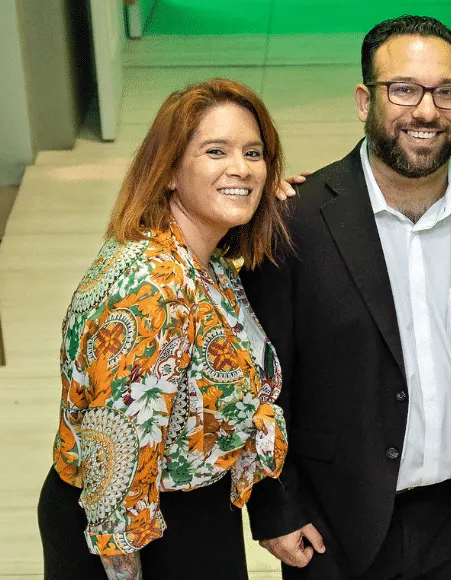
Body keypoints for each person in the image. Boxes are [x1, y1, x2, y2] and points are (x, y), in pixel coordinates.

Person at [242, 15, 451, 580]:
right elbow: (264, 381)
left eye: (447, 92)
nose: (428, 111)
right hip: (333, 521)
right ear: (364, 100)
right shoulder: (294, 222)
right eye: (403, 90)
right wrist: (274, 504)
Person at [38, 78, 292, 580]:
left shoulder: (204, 263)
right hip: (136, 535)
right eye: (215, 151)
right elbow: (116, 464)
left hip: (192, 514)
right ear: (171, 171)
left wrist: (284, 203)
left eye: (254, 153)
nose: (240, 168)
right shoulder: (153, 285)